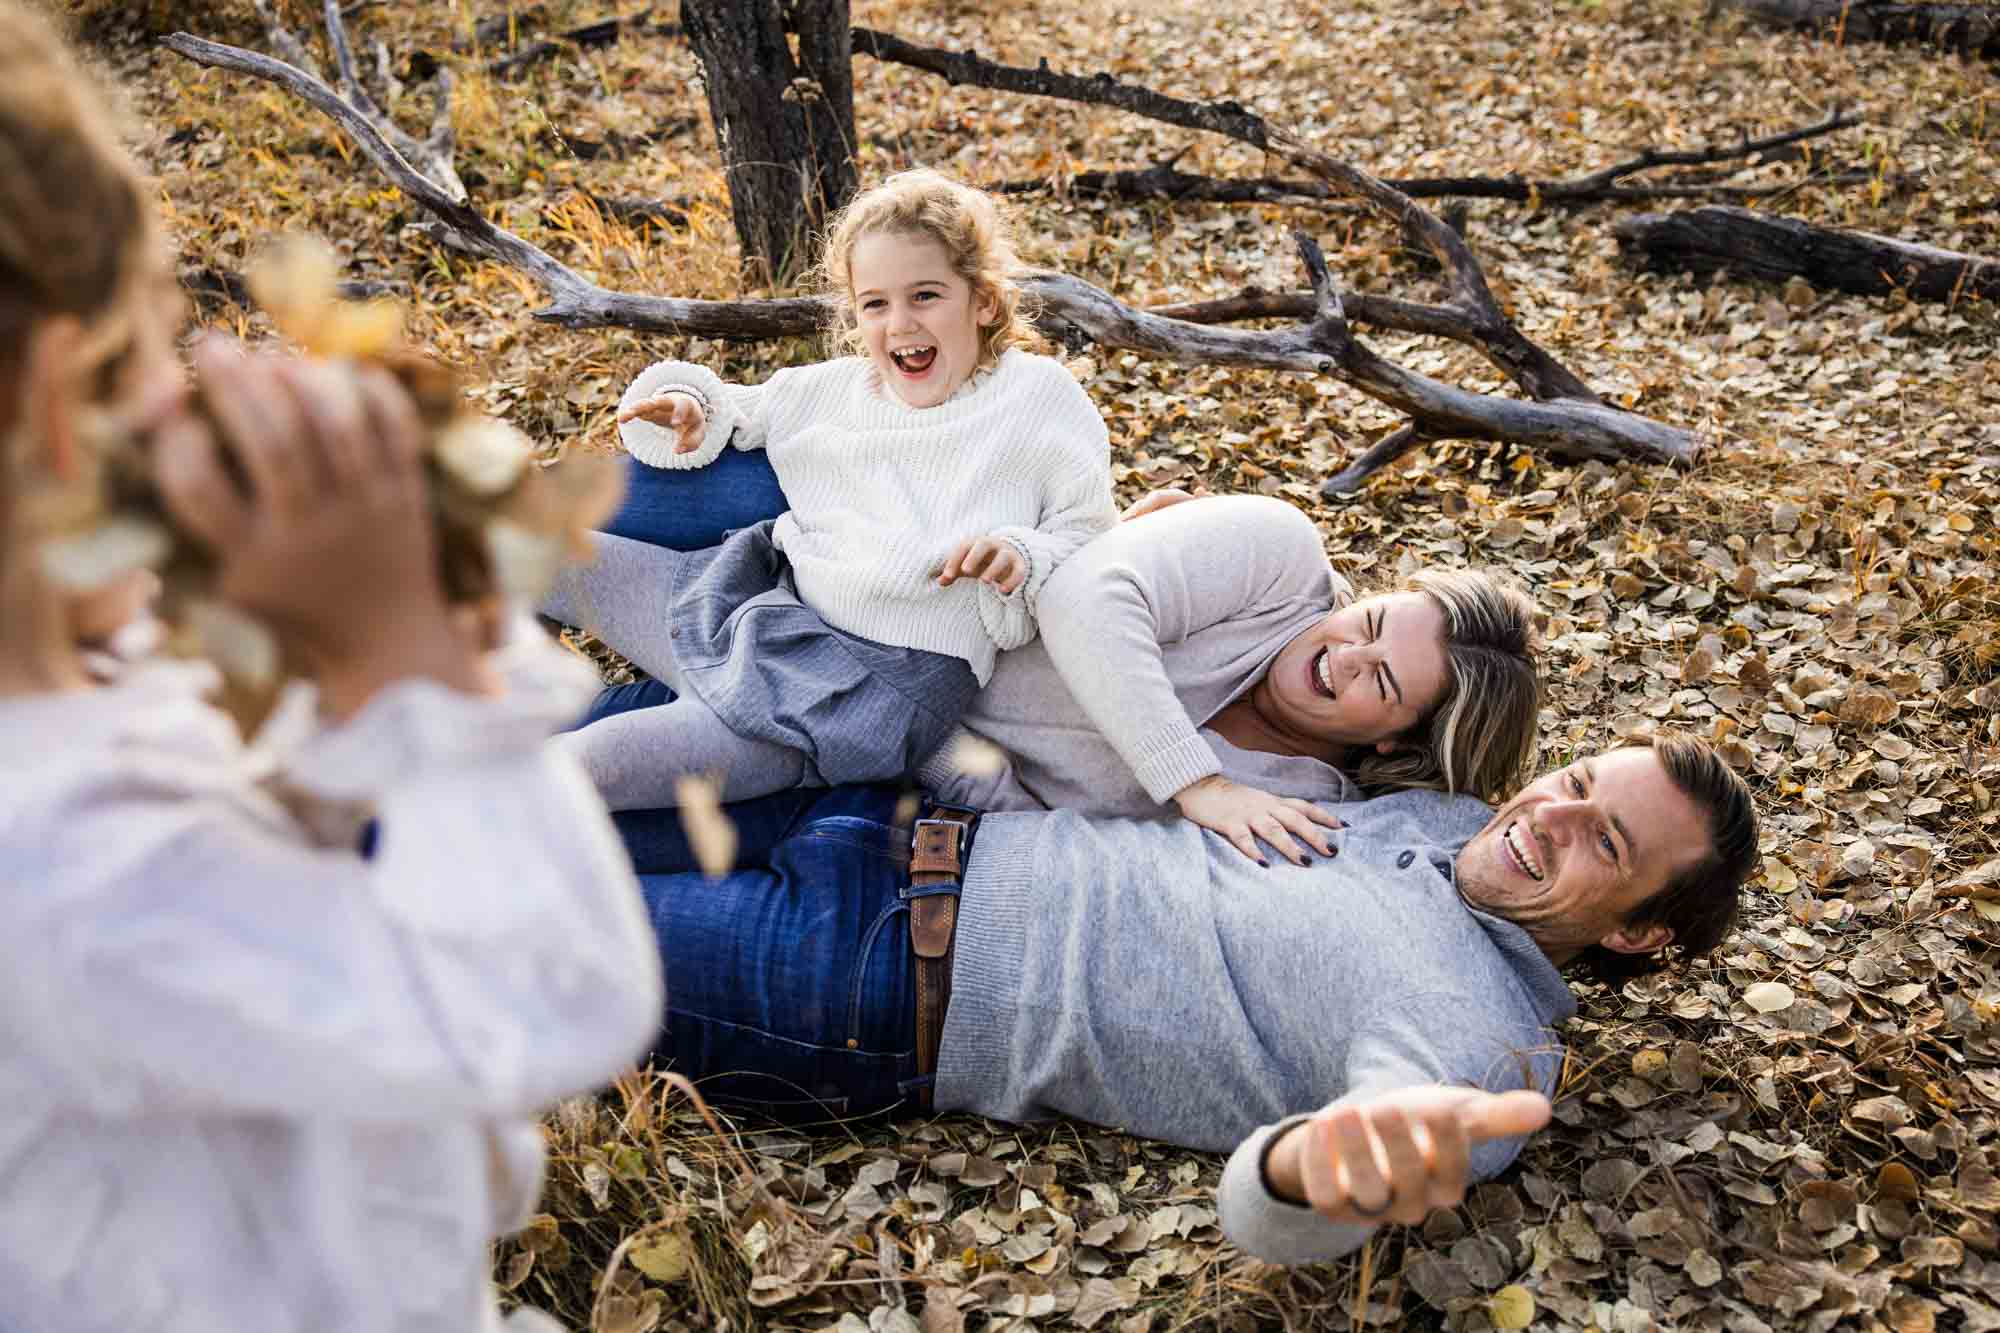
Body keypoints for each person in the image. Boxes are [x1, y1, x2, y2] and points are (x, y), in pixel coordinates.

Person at [0, 9, 662, 1329]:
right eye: (157, 350)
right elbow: (553, 1000)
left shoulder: (103, 678)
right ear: (69, 403)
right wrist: (402, 655)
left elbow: (305, 861)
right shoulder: (67, 865)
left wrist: (406, 619)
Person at [611, 731, 1757, 1264]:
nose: (1545, 815)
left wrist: (1308, 1169)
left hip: (868, 980)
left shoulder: (1484, 1045)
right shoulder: (1444, 818)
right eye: (1570, 782)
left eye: (1601, 838)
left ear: (1635, 930)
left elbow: (1293, 1197)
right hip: (892, 809)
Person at [558, 451, 1542, 865]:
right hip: (847, 572)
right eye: (1369, 621)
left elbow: (1060, 834)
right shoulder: (1277, 557)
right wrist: (1191, 781)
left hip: (842, 727)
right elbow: (1081, 597)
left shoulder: (1296, 799)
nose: (1344, 652)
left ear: (1398, 740)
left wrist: (945, 757)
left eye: (1382, 680)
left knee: (583, 777)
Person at [546, 167, 1117, 811]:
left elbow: (1091, 533)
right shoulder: (832, 390)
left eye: (925, 295)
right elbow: (734, 408)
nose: (898, 323)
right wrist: (687, 406)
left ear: (983, 301)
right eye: (875, 304)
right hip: (745, 609)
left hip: (856, 697)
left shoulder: (1037, 397)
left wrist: (1024, 557)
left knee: (583, 767)